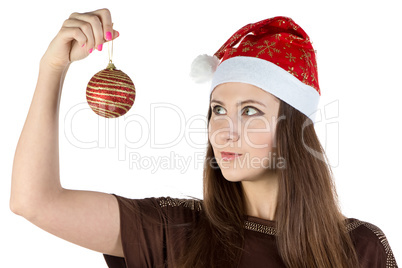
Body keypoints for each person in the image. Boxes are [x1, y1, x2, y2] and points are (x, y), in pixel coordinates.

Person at [10, 8, 398, 268]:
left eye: (250, 111)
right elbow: (34, 201)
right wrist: (52, 68)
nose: (224, 131)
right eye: (217, 109)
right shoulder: (174, 231)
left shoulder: (360, 250)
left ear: (290, 131)